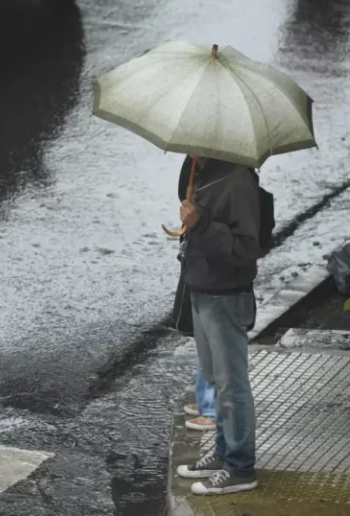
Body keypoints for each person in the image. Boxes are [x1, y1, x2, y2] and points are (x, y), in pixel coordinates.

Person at [175, 156, 260, 496]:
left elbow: (246, 249)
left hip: (225, 296)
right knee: (214, 378)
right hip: (202, 290)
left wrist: (202, 223)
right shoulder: (203, 169)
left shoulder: (238, 181)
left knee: (231, 385)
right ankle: (225, 453)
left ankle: (240, 467)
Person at [177, 156, 217, 433]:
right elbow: (184, 190)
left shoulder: (231, 177)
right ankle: (205, 400)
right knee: (203, 335)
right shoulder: (202, 162)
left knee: (213, 337)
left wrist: (198, 221)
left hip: (216, 270)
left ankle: (213, 409)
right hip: (200, 260)